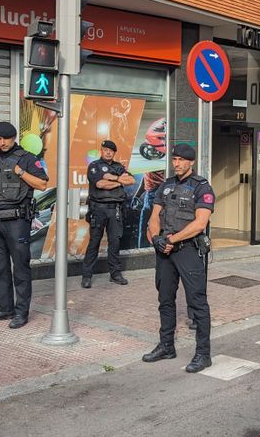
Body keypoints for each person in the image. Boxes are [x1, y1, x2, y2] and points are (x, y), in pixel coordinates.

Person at [142, 143, 215, 373]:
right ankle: (166, 346)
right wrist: (156, 239)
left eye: (182, 160)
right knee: (165, 299)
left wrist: (172, 240)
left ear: (191, 162)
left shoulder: (201, 187)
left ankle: (203, 354)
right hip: (164, 251)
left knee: (197, 302)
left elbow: (200, 223)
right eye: (174, 159)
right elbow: (154, 217)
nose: (176, 163)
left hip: (187, 251)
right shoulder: (166, 185)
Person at [0, 122, 48, 329]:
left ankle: (21, 312)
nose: (2, 142)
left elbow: (42, 184)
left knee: (20, 268)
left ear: (13, 138)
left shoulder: (27, 158)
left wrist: (20, 172)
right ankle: (5, 308)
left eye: (5, 139)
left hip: (17, 221)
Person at [81, 140, 134, 288]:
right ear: (101, 151)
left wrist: (112, 178)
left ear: (114, 152)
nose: (108, 152)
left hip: (115, 209)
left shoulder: (118, 166)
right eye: (105, 150)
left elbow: (130, 179)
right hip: (98, 209)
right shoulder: (94, 166)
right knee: (94, 243)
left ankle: (115, 274)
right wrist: (119, 180)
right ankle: (86, 275)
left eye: (111, 150)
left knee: (115, 242)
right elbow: (99, 184)